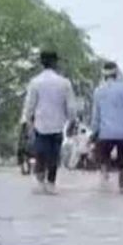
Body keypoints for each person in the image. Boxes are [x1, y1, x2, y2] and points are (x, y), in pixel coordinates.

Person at [20, 50, 76, 193]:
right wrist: (71, 122)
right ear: (55, 62)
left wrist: (26, 122)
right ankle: (51, 183)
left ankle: (40, 183)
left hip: (40, 125)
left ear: (41, 63)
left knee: (40, 154)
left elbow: (29, 105)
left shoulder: (35, 82)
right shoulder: (64, 83)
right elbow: (71, 106)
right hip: (58, 125)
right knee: (54, 155)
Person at [90, 61, 123, 192]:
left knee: (103, 160)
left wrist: (94, 132)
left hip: (105, 133)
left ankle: (104, 181)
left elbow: (96, 114)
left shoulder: (98, 90)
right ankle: (121, 187)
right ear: (117, 73)